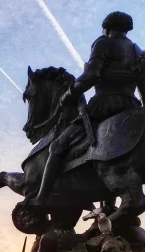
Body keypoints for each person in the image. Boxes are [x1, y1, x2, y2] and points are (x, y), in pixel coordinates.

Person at [31, 11, 145, 207]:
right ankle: (108, 205)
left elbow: (91, 75)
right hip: (131, 107)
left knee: (57, 146)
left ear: (107, 27)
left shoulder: (103, 43)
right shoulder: (138, 52)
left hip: (103, 106)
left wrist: (69, 94)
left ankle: (40, 199)